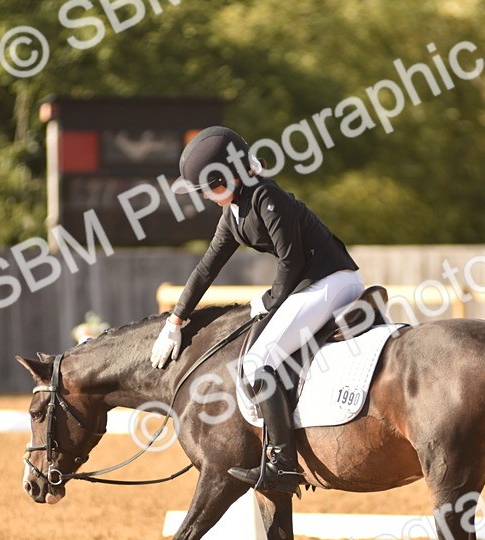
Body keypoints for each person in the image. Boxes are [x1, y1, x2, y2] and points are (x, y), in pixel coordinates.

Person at [149, 126, 364, 495]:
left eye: (206, 188)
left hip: (330, 281)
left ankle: (282, 462)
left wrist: (268, 301)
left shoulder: (267, 196)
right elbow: (206, 267)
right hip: (309, 283)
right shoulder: (235, 211)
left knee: (258, 361)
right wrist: (175, 319)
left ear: (223, 177)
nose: (204, 197)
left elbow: (291, 260)